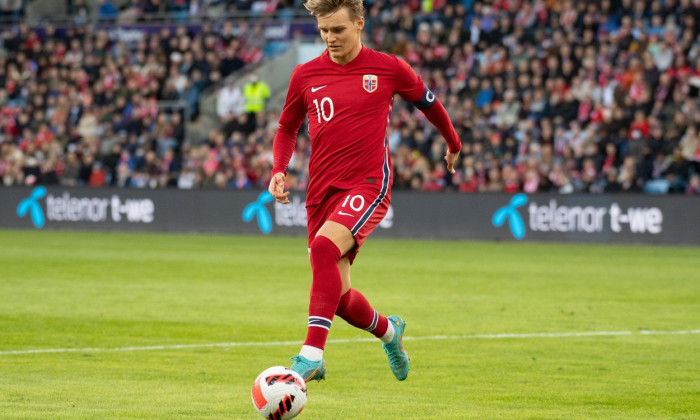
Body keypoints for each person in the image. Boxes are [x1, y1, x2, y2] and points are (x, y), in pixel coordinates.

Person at [268, 0, 462, 383]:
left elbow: (430, 104)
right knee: (337, 298)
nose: (330, 38)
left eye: (338, 30)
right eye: (324, 31)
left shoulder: (388, 68)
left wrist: (453, 143)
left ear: (359, 24)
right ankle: (391, 332)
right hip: (320, 192)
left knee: (325, 249)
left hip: (368, 183)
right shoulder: (305, 75)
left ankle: (311, 356)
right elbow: (287, 128)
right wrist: (278, 168)